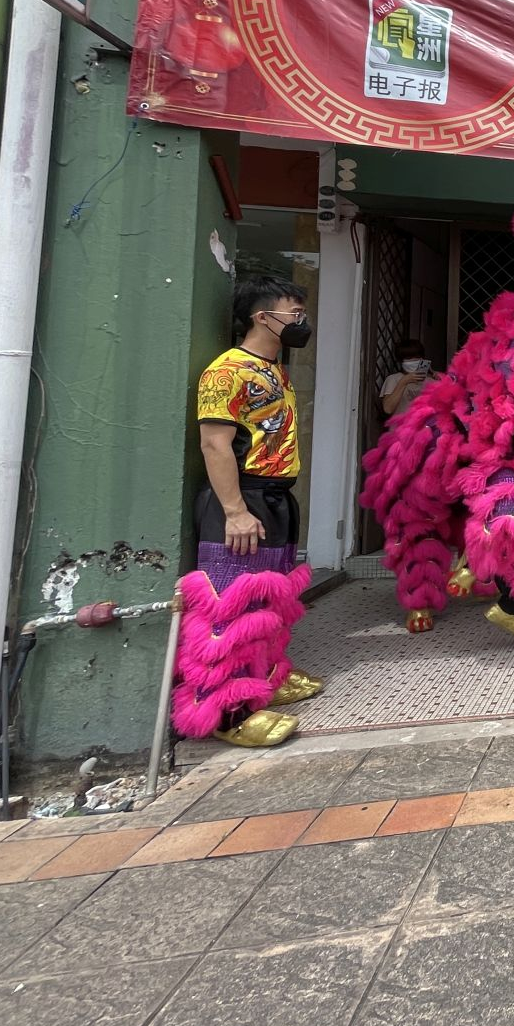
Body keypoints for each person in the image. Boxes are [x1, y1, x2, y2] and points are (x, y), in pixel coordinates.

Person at [174, 276, 321, 748]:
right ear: (263, 317)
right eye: (293, 314)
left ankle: (269, 679)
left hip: (276, 497)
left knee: (269, 604)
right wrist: (235, 512)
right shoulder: (227, 371)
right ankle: (228, 714)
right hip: (243, 500)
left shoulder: (274, 368)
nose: (302, 322)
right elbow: (214, 444)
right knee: (231, 611)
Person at [380, 337, 432, 417]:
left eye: (416, 358)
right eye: (408, 358)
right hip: (400, 428)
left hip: (424, 428)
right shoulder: (393, 379)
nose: (413, 361)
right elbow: (388, 409)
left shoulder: (431, 381)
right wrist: (404, 381)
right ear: (401, 361)